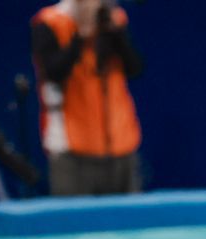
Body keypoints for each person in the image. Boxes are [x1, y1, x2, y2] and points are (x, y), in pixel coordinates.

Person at [31, 0, 143, 196]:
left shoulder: (113, 18)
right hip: (72, 151)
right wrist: (81, 34)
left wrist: (114, 32)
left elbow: (134, 67)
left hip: (121, 144)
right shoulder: (50, 22)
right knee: (74, 223)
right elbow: (53, 73)